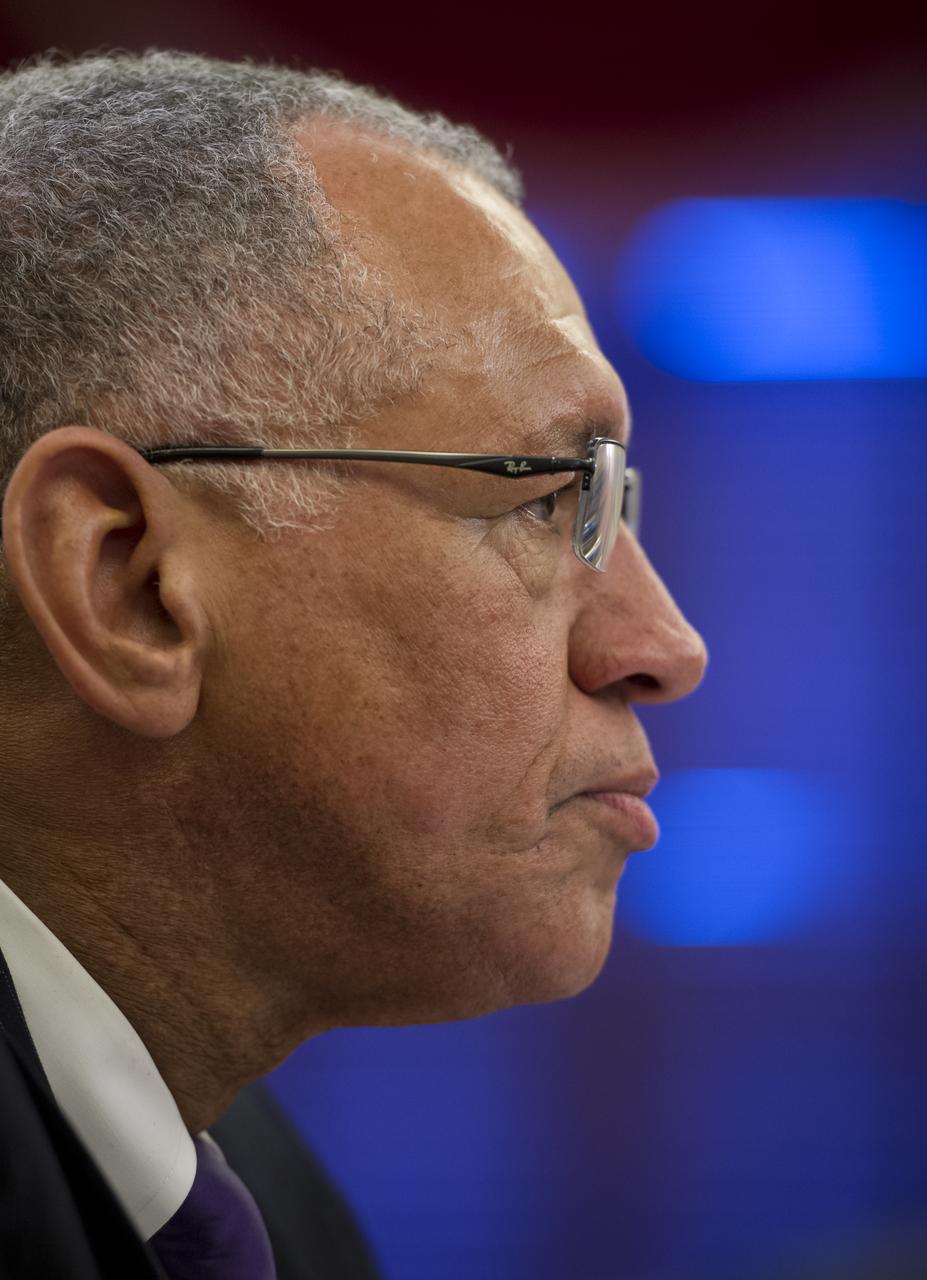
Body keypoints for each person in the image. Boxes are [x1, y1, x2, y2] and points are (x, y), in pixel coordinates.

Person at [0, 49, 709, 1279]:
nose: (663, 647)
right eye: (547, 496)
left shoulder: (263, 1197)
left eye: (616, 503)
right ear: (126, 583)